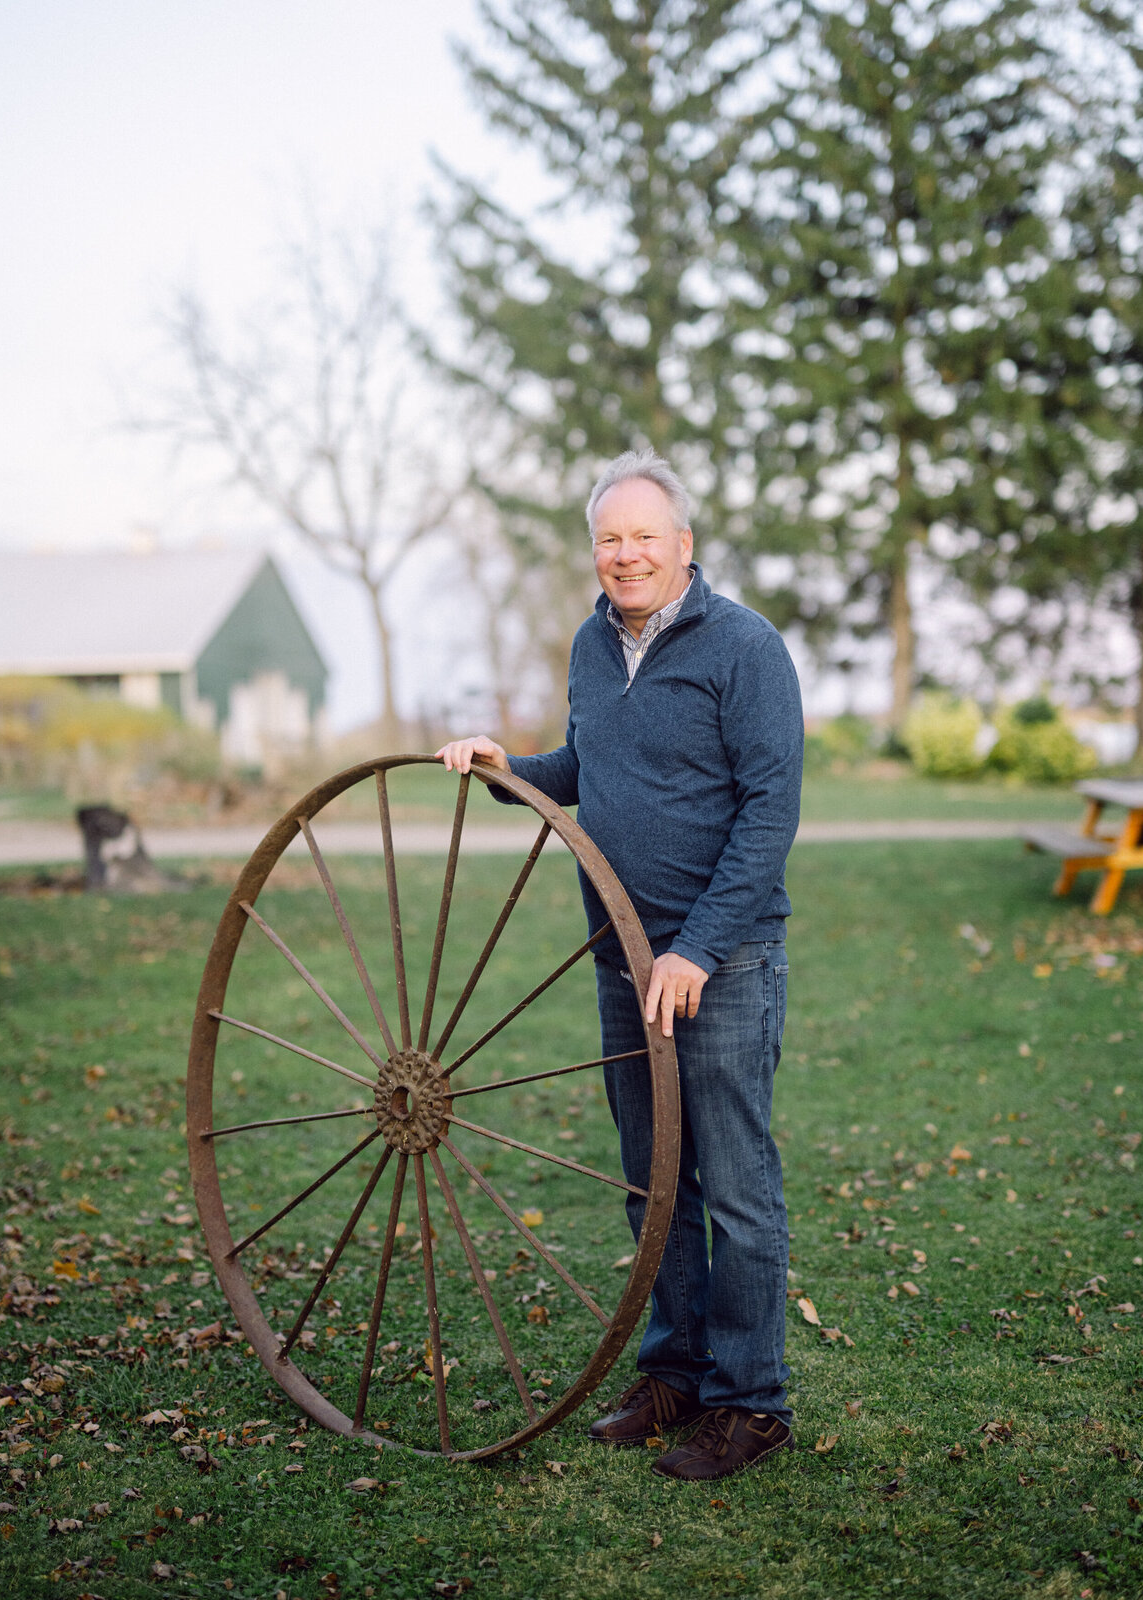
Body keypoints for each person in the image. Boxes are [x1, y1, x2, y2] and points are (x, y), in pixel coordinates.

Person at [436, 449, 803, 1482]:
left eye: (645, 535)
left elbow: (770, 811)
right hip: (619, 952)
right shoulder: (591, 648)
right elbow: (585, 773)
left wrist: (697, 945)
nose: (626, 553)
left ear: (684, 546)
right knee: (654, 1186)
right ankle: (675, 1375)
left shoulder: (745, 647)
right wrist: (510, 771)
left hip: (717, 963)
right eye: (609, 538)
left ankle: (750, 1403)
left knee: (736, 1189)